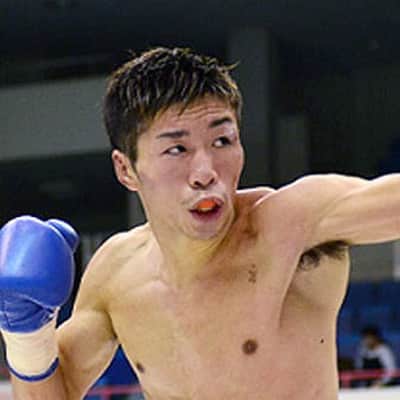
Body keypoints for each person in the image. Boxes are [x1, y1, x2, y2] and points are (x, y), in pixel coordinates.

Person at [1, 47, 400, 400]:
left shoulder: (294, 224)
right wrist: (26, 335)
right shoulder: (116, 273)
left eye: (222, 141)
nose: (206, 172)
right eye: (177, 149)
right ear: (126, 169)